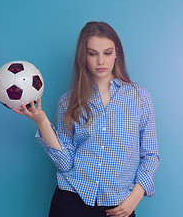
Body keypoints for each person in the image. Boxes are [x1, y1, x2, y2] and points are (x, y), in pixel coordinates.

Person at [13, 21, 159, 217]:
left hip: (119, 206)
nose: (101, 61)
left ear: (116, 52)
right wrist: (41, 121)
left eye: (107, 53)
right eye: (92, 53)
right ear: (83, 56)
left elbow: (151, 156)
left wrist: (135, 198)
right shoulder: (68, 101)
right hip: (71, 201)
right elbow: (65, 163)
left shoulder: (140, 97)